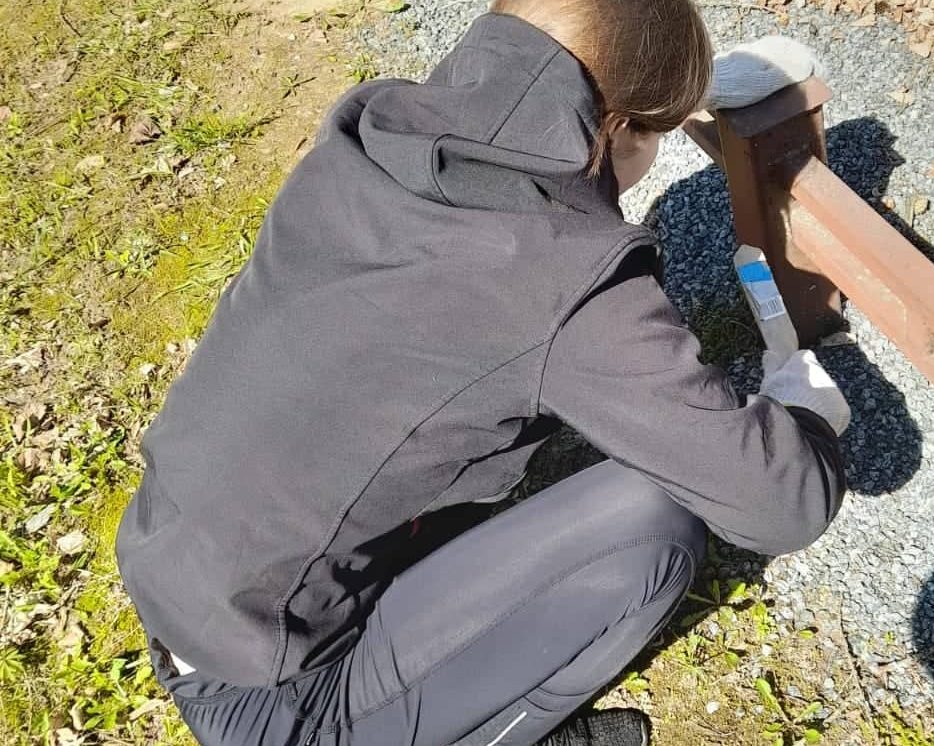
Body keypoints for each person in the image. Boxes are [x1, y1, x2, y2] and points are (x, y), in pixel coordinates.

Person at [113, 1, 849, 744]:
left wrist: (679, 85)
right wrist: (804, 413)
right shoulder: (557, 277)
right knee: (652, 530)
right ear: (621, 129)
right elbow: (782, 505)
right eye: (654, 131)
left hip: (179, 565)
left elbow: (559, 68)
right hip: (279, 693)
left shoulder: (372, 133)